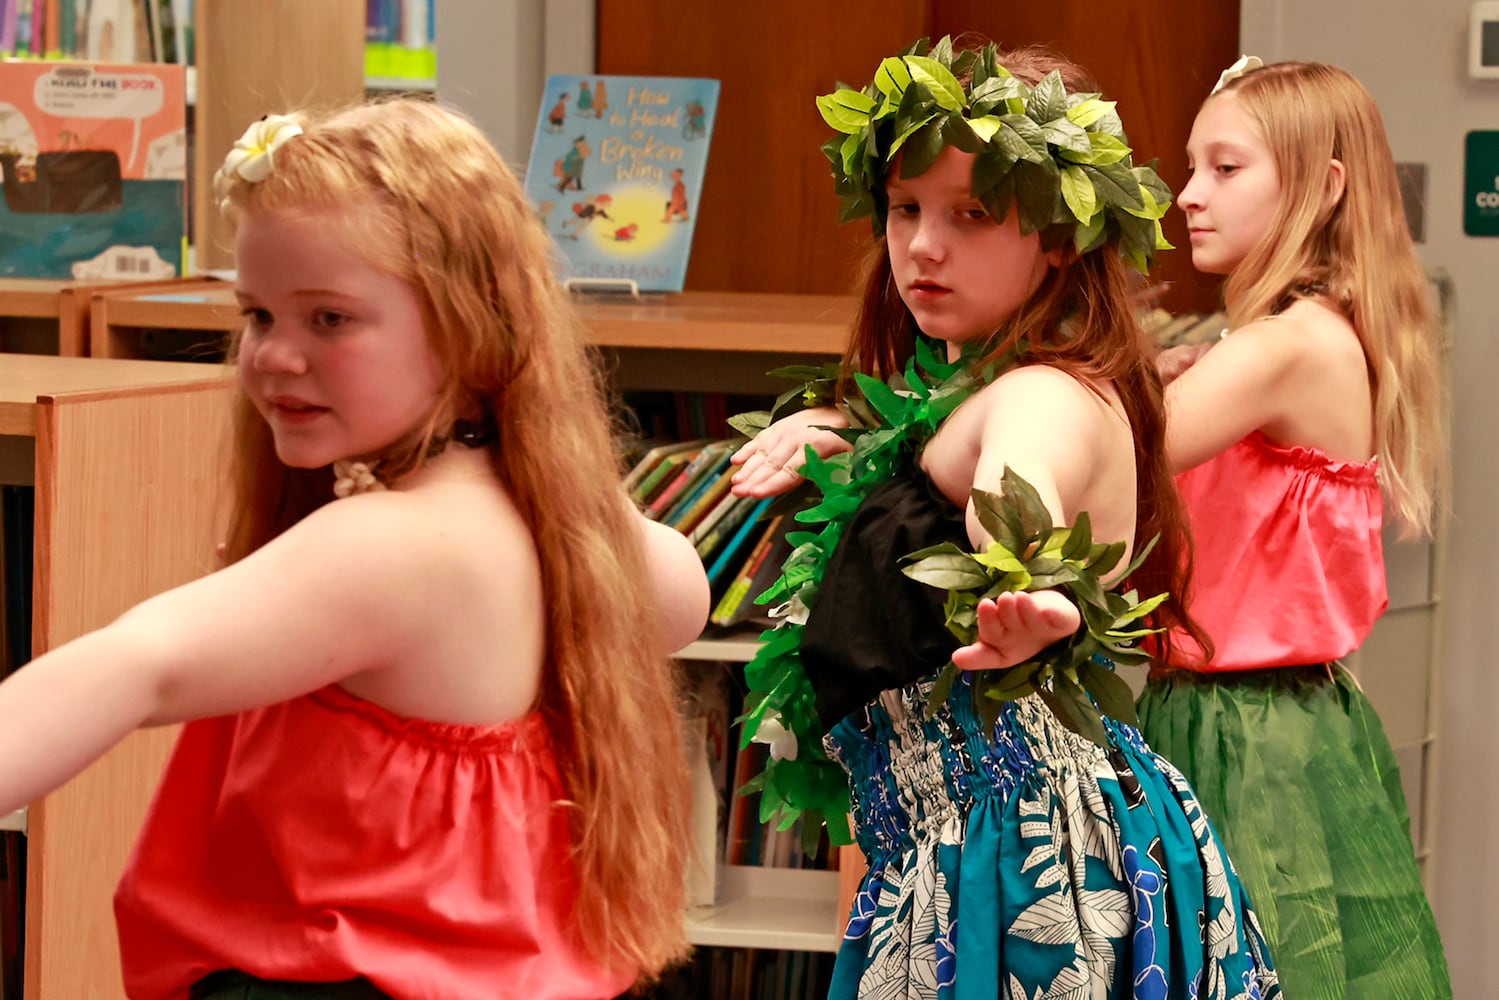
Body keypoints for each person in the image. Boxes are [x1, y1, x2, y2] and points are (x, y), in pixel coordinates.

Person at [0, 99, 709, 999]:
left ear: (471, 324)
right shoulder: (564, 538)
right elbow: (681, 598)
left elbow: (137, 665)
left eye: (329, 319)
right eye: (257, 315)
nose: (274, 356)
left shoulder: (390, 546)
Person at [730, 39, 1280, 997]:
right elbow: (936, 442)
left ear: (1060, 237)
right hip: (975, 846)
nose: (922, 245)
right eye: (906, 210)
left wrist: (1021, 584)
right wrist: (841, 429)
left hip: (1026, 864)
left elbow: (1009, 502)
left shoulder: (1043, 397)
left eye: (971, 215)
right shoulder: (980, 382)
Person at [1136, 57, 1452, 999]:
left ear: (1322, 187)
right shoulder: (1283, 336)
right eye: (1191, 168)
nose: (1187, 197)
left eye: (1224, 170)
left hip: (1248, 737)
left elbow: (1115, 455)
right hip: (1265, 722)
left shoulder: (1289, 344)